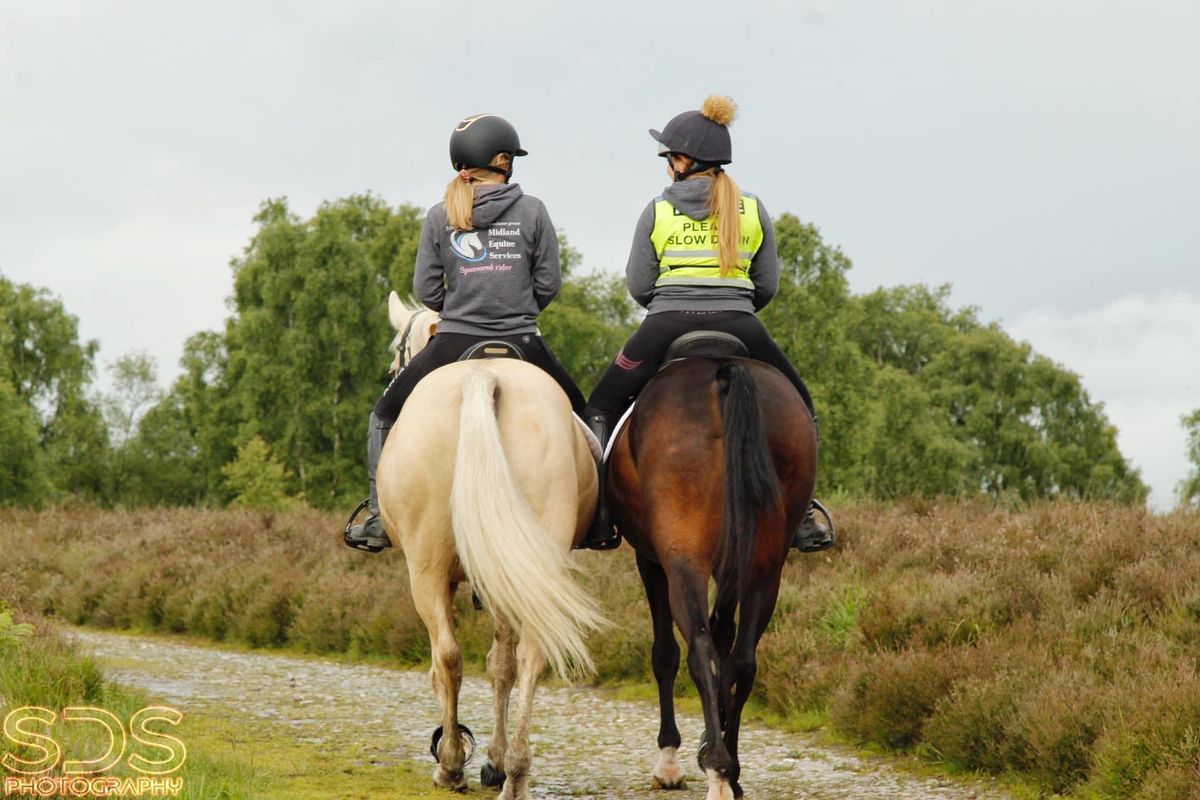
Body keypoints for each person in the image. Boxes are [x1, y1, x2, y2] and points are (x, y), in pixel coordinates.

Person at [584, 95, 833, 551]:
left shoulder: (657, 210)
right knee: (800, 401)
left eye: (668, 157)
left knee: (601, 405)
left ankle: (600, 517)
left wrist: (668, 307)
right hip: (740, 323)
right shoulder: (752, 209)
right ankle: (803, 514)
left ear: (683, 161)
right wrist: (731, 306)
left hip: (665, 323)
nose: (666, 166)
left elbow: (639, 284)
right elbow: (767, 284)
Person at [345, 113, 588, 554]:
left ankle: (380, 516)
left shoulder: (441, 215)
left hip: (453, 342)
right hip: (523, 341)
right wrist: (516, 309)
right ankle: (601, 513)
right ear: (500, 160)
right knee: (585, 414)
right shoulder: (533, 210)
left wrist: (462, 307)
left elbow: (425, 290)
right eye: (511, 156)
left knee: (382, 415)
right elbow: (549, 283)